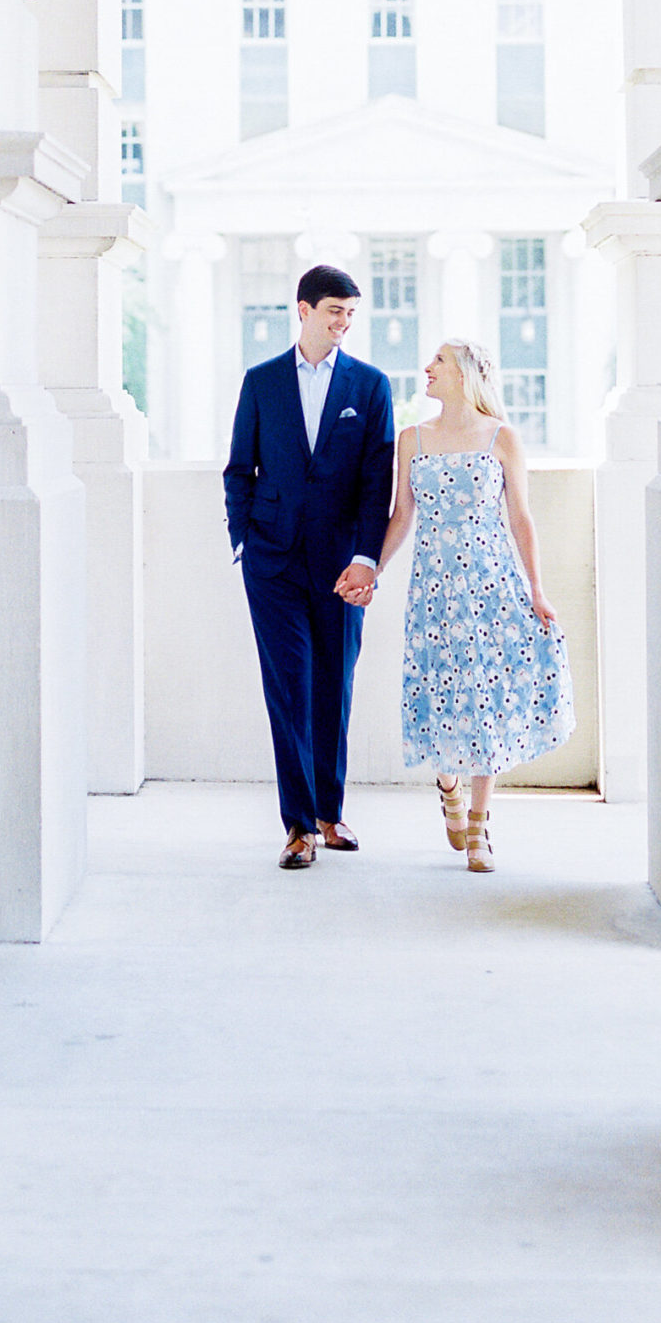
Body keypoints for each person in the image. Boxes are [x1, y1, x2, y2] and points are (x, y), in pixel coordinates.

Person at [348, 337, 573, 872]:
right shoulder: (413, 438)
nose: (427, 369)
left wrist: (537, 590)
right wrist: (373, 570)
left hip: (493, 583)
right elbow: (401, 515)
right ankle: (447, 783)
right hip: (433, 589)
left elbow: (521, 517)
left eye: (439, 362)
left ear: (464, 373)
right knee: (439, 692)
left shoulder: (501, 437)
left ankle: (478, 828)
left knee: (486, 700)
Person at [224, 264, 397, 869]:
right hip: (272, 562)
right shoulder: (262, 381)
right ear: (303, 310)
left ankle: (331, 812)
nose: (343, 323)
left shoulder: (371, 387)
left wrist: (365, 559)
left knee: (334, 687)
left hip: (341, 568)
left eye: (351, 313)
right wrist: (243, 540)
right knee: (289, 689)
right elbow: (238, 469)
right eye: (333, 312)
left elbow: (380, 486)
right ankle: (298, 827)